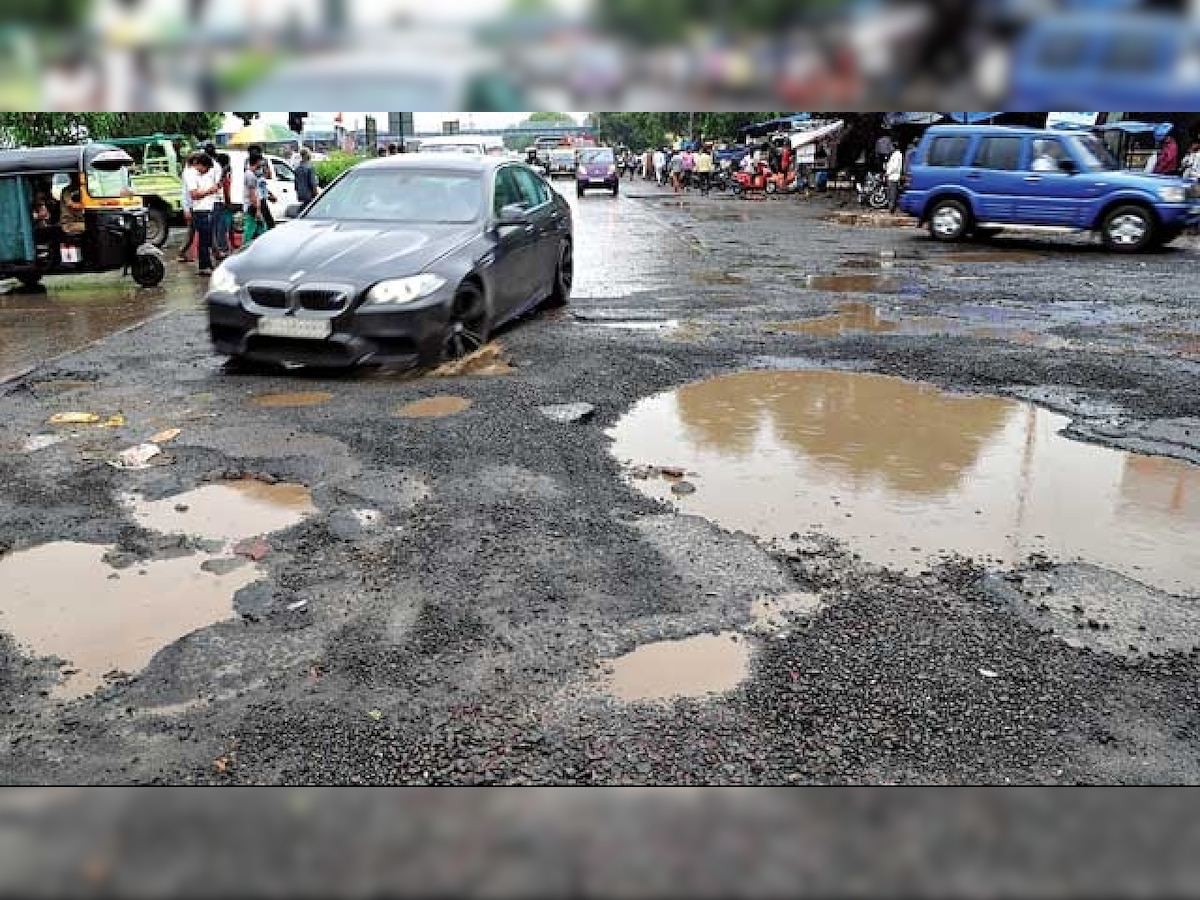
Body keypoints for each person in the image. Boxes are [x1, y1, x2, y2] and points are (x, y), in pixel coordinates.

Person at [183, 151, 220, 275]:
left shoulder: (200, 174)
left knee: (207, 239)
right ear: (200, 165)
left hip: (207, 209)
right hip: (200, 211)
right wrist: (210, 191)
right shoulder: (190, 174)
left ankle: (207, 264)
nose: (207, 171)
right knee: (204, 240)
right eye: (207, 168)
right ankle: (203, 266)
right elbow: (194, 194)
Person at [241, 149, 264, 246]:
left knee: (261, 228)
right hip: (252, 206)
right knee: (250, 230)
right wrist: (257, 209)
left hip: (252, 206)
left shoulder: (250, 174)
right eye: (261, 161)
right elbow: (252, 194)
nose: (262, 163)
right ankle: (244, 248)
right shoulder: (250, 176)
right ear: (257, 161)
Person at [885, 142, 905, 213]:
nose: (890, 148)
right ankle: (891, 207)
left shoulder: (897, 155)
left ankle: (892, 208)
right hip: (892, 176)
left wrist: (887, 173)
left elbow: (894, 166)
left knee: (892, 193)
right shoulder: (895, 154)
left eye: (891, 146)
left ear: (894, 147)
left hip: (893, 176)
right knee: (891, 192)